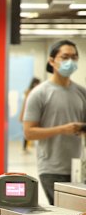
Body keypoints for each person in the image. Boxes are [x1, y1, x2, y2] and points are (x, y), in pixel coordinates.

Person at [23, 39, 86, 205]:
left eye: (74, 57)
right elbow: (29, 132)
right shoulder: (39, 93)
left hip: (80, 168)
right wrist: (62, 129)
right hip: (52, 168)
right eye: (65, 57)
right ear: (52, 61)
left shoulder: (81, 92)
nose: (70, 62)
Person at [19, 77, 41, 152]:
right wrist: (22, 115)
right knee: (27, 131)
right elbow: (25, 104)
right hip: (27, 113)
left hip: (33, 113)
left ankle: (26, 147)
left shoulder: (36, 91)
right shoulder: (29, 92)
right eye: (37, 83)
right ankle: (25, 147)